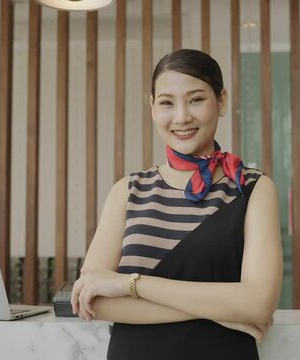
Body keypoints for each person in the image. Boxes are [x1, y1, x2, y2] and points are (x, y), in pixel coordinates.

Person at [70, 48, 283, 360]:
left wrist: (130, 284)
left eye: (196, 99)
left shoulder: (252, 188)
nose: (182, 116)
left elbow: (258, 303)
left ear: (221, 101)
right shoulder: (128, 190)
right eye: (167, 102)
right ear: (153, 108)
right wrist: (218, 310)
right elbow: (94, 301)